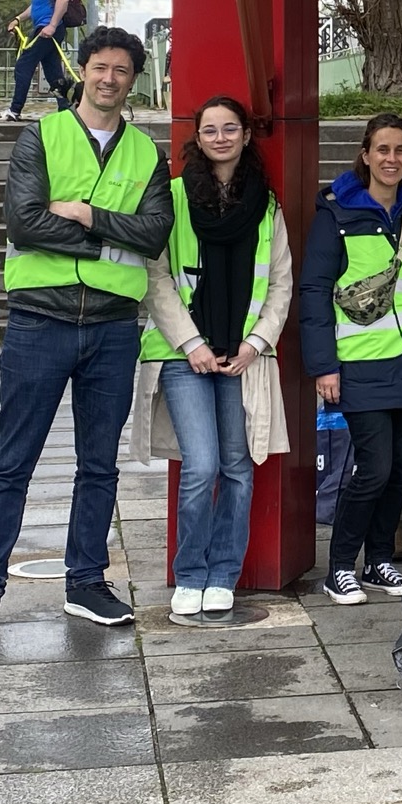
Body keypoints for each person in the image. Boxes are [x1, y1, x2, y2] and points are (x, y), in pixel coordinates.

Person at [0, 26, 172, 639]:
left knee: (99, 465)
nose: (109, 78)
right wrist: (106, 239)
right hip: (39, 322)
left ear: (133, 80)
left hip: (112, 328)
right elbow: (24, 223)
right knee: (12, 462)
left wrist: (85, 214)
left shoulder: (147, 152)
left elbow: (155, 234)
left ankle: (87, 582)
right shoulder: (41, 136)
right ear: (83, 70)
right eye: (100, 67)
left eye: (121, 70)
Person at [138, 94, 292, 625]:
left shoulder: (266, 204)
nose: (221, 137)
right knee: (201, 466)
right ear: (197, 138)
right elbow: (156, 276)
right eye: (210, 130)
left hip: (244, 354)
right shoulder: (174, 196)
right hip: (184, 353)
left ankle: (223, 575)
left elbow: (280, 283)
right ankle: (189, 574)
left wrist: (255, 343)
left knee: (238, 468)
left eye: (230, 128)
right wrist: (192, 344)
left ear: (246, 136)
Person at [299, 114, 402, 606]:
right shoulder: (336, 211)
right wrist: (323, 365)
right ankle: (340, 566)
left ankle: (379, 560)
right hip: (361, 361)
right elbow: (314, 290)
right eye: (382, 149)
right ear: (365, 154)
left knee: (401, 470)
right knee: (374, 469)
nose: (391, 159)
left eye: (401, 150)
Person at [3, 0, 78, 120]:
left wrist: (52, 25)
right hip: (43, 28)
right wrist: (18, 19)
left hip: (47, 29)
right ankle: (67, 110)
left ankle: (15, 110)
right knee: (53, 73)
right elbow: (36, 6)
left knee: (23, 65)